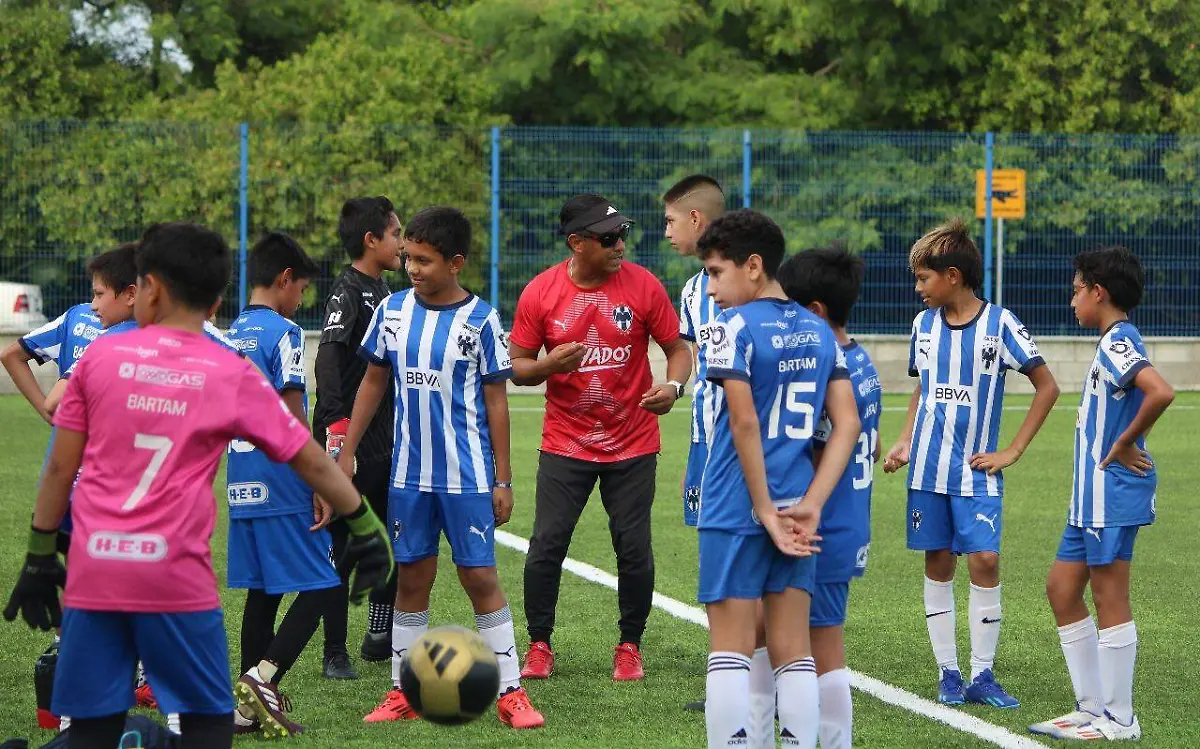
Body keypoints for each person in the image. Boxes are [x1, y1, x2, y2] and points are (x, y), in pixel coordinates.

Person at [1, 221, 393, 749]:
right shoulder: (226, 367)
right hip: (175, 581)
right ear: (213, 304)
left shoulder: (98, 359)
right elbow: (308, 457)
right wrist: (364, 524)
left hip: (96, 576)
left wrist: (40, 554)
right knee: (205, 728)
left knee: (89, 729)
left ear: (152, 290)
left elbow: (57, 470)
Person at [336, 206, 545, 728]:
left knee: (479, 576)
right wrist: (346, 449)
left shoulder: (481, 320)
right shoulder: (392, 312)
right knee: (412, 579)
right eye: (408, 257)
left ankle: (511, 692)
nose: (412, 268)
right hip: (409, 476)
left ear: (456, 263)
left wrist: (503, 479)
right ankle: (401, 691)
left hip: (467, 477)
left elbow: (497, 402)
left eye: (424, 260)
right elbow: (372, 384)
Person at [510, 194, 692, 682]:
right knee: (547, 543)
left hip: (632, 441)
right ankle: (540, 644)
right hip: (565, 441)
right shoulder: (541, 293)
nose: (620, 246)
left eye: (622, 234)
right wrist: (549, 365)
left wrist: (673, 386)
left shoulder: (643, 285)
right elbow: (518, 367)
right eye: (608, 238)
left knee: (633, 547)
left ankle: (630, 645)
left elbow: (677, 347)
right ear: (577, 243)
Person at [695, 209, 860, 749]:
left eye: (717, 273)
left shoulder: (729, 329)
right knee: (794, 650)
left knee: (730, 649)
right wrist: (810, 503)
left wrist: (762, 508)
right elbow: (848, 424)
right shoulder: (819, 330)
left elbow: (743, 421)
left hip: (736, 504)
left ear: (754, 265)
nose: (711, 288)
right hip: (796, 506)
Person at [882, 218, 1060, 708]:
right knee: (938, 561)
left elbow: (1047, 386)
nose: (917, 287)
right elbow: (925, 387)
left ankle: (983, 675)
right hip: (927, 470)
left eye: (923, 278)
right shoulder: (922, 326)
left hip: (977, 471)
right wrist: (904, 440)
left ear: (953, 276)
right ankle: (949, 672)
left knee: (985, 558)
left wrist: (1012, 451)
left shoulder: (1000, 324)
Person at [1028, 247, 1174, 741]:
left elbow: (1160, 390)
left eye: (1076, 290)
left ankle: (1120, 718)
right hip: (1087, 500)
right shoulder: (1110, 342)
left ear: (1098, 292)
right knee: (1061, 589)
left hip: (1110, 495)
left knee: (1110, 595)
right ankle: (1091, 707)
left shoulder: (1118, 342)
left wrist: (1127, 440)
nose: (1072, 300)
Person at [225, 233, 341, 737]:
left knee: (263, 589)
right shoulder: (285, 332)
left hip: (240, 477)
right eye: (301, 290)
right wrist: (317, 479)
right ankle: (263, 677)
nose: (301, 301)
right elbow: (292, 416)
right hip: (281, 475)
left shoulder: (229, 332)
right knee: (325, 581)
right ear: (285, 279)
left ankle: (245, 711)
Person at [778, 248, 882, 749]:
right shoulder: (859, 360)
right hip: (849, 522)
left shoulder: (825, 373)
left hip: (823, 528)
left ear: (814, 312)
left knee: (819, 649)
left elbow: (820, 454)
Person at [313, 196, 403, 678]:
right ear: (371, 240)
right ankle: (334, 652)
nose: (402, 242)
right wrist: (335, 427)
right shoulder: (349, 290)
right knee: (344, 546)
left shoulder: (383, 289)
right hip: (349, 441)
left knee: (390, 538)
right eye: (396, 234)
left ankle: (379, 633)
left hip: (383, 440)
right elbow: (328, 357)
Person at [662, 174, 726, 712]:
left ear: (696, 220)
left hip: (748, 446)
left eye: (670, 221)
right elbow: (694, 363)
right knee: (713, 558)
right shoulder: (689, 291)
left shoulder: (753, 281)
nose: (667, 233)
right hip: (708, 445)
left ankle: (761, 675)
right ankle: (727, 674)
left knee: (740, 559)